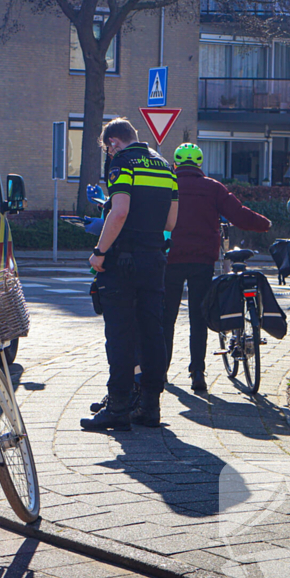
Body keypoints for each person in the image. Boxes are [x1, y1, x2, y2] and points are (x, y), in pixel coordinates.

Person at [81, 118, 178, 431]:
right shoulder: (165, 166)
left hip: (123, 262)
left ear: (113, 142)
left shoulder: (122, 162)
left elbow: (119, 211)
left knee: (121, 336)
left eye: (108, 149)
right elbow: (171, 223)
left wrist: (99, 252)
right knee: (152, 333)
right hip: (154, 259)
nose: (109, 154)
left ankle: (118, 408)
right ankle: (150, 407)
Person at [162, 143, 271, 392]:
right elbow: (238, 213)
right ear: (200, 164)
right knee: (198, 316)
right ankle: (197, 372)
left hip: (171, 258)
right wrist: (264, 224)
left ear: (175, 164)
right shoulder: (212, 187)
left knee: (166, 317)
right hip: (202, 260)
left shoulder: (168, 185)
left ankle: (161, 371)